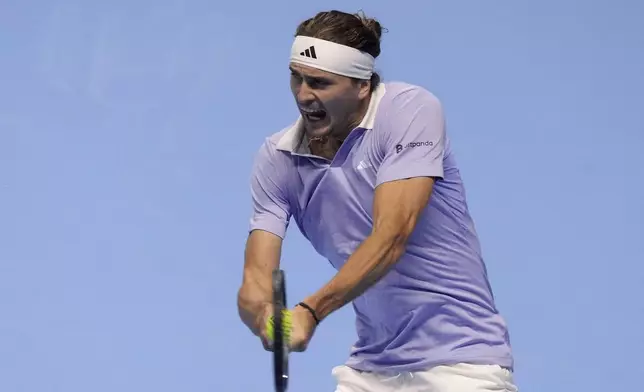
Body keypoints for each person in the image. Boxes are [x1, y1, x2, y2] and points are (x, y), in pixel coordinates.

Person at [237, 9, 518, 392]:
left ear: (363, 86)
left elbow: (391, 237)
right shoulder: (278, 158)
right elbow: (256, 277)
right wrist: (268, 317)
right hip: (370, 371)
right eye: (296, 77)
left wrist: (309, 311)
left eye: (320, 82)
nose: (304, 95)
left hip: (462, 366)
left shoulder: (408, 111)